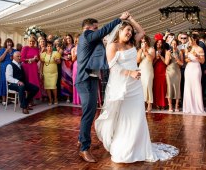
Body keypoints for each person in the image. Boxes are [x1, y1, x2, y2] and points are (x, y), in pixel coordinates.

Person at [95, 15, 178, 163]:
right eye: (127, 30)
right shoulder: (112, 46)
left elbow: (142, 31)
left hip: (135, 86)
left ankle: (139, 148)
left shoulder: (132, 43)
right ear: (119, 30)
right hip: (122, 86)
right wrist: (130, 72)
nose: (130, 33)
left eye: (131, 31)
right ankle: (125, 148)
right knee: (126, 117)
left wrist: (131, 19)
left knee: (138, 116)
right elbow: (112, 66)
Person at [75, 12, 129, 163]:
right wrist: (119, 19)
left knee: (89, 113)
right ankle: (84, 149)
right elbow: (104, 31)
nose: (98, 31)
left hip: (91, 79)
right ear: (90, 27)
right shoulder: (86, 35)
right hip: (84, 80)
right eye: (96, 28)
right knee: (89, 113)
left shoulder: (91, 39)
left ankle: (81, 140)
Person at [183, 34, 206, 114]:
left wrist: (197, 56)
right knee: (188, 86)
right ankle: (188, 107)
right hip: (189, 68)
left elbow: (202, 61)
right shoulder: (188, 48)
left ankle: (198, 107)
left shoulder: (200, 49)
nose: (189, 41)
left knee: (196, 86)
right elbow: (185, 60)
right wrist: (188, 59)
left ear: (195, 40)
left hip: (196, 68)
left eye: (190, 40)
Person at [136, 35, 155, 112]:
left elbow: (151, 59)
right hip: (141, 69)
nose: (143, 43)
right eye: (142, 42)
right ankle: (142, 103)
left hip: (148, 70)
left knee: (148, 85)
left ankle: (149, 103)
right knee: (141, 86)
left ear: (147, 41)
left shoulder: (151, 49)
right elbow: (137, 61)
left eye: (144, 41)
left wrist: (146, 52)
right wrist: (141, 51)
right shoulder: (139, 50)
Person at [40, 41, 61, 105]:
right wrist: (41, 72)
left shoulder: (56, 53)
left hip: (54, 73)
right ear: (46, 47)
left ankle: (55, 99)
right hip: (46, 72)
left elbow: (59, 62)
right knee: (47, 87)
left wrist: (56, 60)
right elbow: (42, 64)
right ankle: (50, 99)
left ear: (52, 47)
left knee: (54, 86)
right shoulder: (43, 54)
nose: (49, 47)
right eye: (48, 46)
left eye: (50, 46)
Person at [0, 38, 17, 105]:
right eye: (8, 42)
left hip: (13, 67)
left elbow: (15, 59)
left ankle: (11, 98)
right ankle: (4, 100)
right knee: (4, 81)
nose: (9, 43)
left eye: (10, 42)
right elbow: (0, 60)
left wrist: (11, 53)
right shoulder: (2, 50)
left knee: (12, 81)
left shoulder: (15, 50)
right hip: (4, 68)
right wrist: (6, 51)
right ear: (6, 43)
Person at [166, 39, 182, 112]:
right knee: (169, 87)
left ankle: (176, 106)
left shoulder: (180, 52)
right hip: (169, 71)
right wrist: (169, 57)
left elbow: (182, 64)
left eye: (175, 44)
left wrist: (177, 59)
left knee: (177, 88)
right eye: (172, 44)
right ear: (170, 44)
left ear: (177, 44)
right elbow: (166, 63)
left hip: (177, 71)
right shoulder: (168, 52)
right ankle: (170, 106)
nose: (174, 45)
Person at [71, 33, 81, 105]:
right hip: (76, 65)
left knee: (82, 82)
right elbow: (73, 59)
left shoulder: (84, 47)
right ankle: (76, 100)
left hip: (82, 65)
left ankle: (82, 99)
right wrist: (78, 54)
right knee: (76, 82)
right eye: (77, 39)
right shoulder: (73, 49)